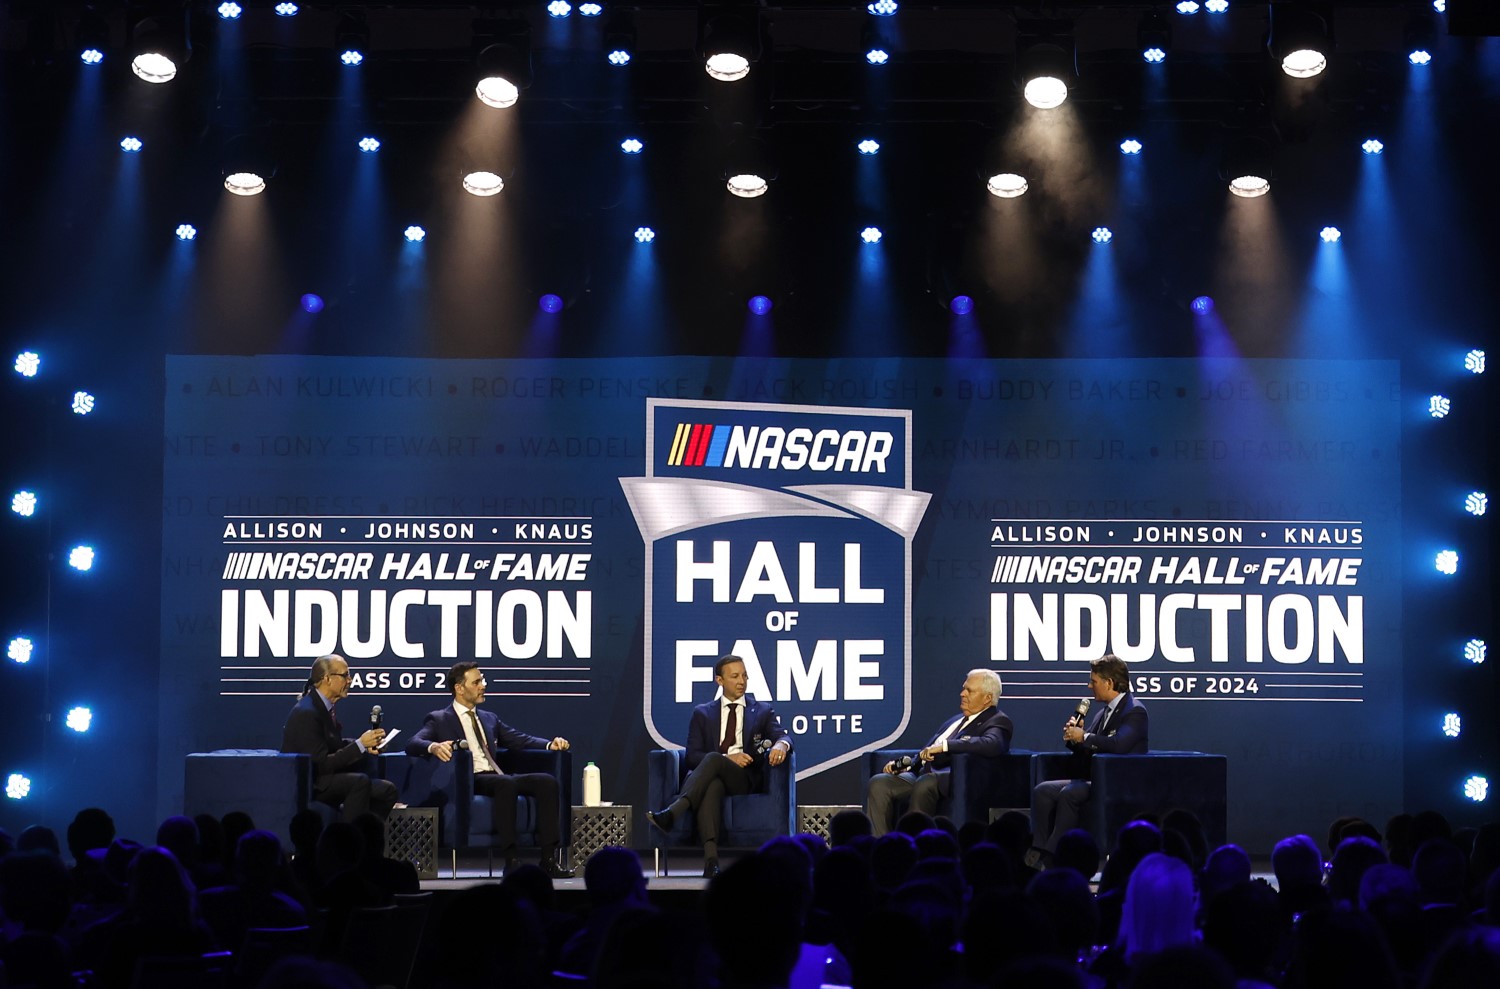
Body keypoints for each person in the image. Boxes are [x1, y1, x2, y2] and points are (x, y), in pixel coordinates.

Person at [406, 661, 575, 878]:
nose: (483, 685)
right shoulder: (440, 718)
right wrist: (434, 746)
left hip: (496, 775)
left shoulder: (488, 718)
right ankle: (511, 860)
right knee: (506, 783)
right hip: (470, 779)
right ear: (459, 688)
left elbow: (519, 739)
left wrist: (549, 744)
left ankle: (548, 859)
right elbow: (413, 742)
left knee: (546, 781)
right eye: (476, 682)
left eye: (482, 680)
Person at [647, 654, 792, 877]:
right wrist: (727, 758)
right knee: (712, 783)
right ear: (720, 681)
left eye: (744, 676)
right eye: (734, 676)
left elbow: (783, 736)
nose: (741, 681)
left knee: (715, 759)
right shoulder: (702, 713)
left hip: (743, 778)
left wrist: (781, 745)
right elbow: (693, 756)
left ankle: (673, 813)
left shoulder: (762, 710)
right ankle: (711, 862)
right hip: (710, 776)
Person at [1027, 655, 1148, 868]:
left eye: (1093, 681)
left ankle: (1053, 855)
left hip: (1118, 783)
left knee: (1070, 793)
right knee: (1043, 791)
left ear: (1109, 683)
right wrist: (1075, 739)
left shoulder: (1135, 711)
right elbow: (1090, 745)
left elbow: (1119, 745)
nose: (1089, 685)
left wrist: (1083, 736)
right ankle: (1037, 849)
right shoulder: (1102, 713)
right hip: (1094, 779)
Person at [864, 669, 1014, 836]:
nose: (962, 694)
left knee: (925, 783)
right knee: (880, 783)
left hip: (953, 778)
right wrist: (908, 766)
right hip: (922, 773)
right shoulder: (956, 720)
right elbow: (928, 751)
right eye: (964, 688)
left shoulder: (998, 721)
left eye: (969, 690)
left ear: (987, 698)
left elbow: (992, 744)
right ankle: (882, 845)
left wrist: (945, 746)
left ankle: (915, 846)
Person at [280, 654, 398, 822]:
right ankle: (348, 842)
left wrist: (366, 746)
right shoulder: (307, 712)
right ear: (327, 679)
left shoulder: (323, 706)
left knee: (387, 790)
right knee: (359, 782)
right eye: (345, 675)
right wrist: (359, 745)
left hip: (324, 777)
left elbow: (331, 744)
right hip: (311, 782)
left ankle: (368, 838)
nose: (350, 680)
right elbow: (321, 763)